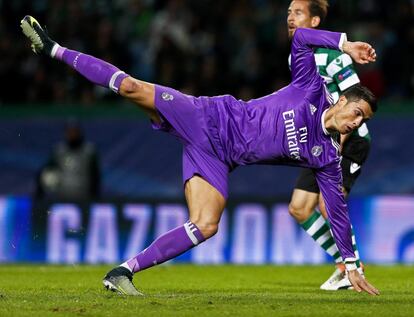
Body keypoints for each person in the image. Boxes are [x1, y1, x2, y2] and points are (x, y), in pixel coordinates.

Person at [21, 15, 379, 296]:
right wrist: (344, 45)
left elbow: (338, 212)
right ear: (343, 100)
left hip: (219, 158)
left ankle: (122, 272)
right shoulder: (311, 88)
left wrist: (350, 262)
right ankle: (53, 48)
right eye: (358, 112)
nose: (356, 122)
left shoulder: (326, 158)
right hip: (207, 117)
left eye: (363, 120)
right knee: (129, 87)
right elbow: (301, 38)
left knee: (206, 225)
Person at [286, 0, 371, 290]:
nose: (290, 18)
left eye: (297, 13)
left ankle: (354, 270)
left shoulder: (336, 58)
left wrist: (337, 144)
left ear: (314, 23)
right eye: (288, 13)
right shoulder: (295, 58)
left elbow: (355, 104)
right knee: (299, 207)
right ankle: (343, 266)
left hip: (351, 139)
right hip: (320, 140)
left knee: (327, 203)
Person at [36, 119, 100, 201]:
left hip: (84, 197)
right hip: (62, 196)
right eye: (69, 132)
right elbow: (47, 171)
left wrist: (94, 196)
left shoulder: (89, 151)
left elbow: (95, 175)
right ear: (65, 133)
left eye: (74, 131)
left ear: (79, 132)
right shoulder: (59, 151)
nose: (72, 134)